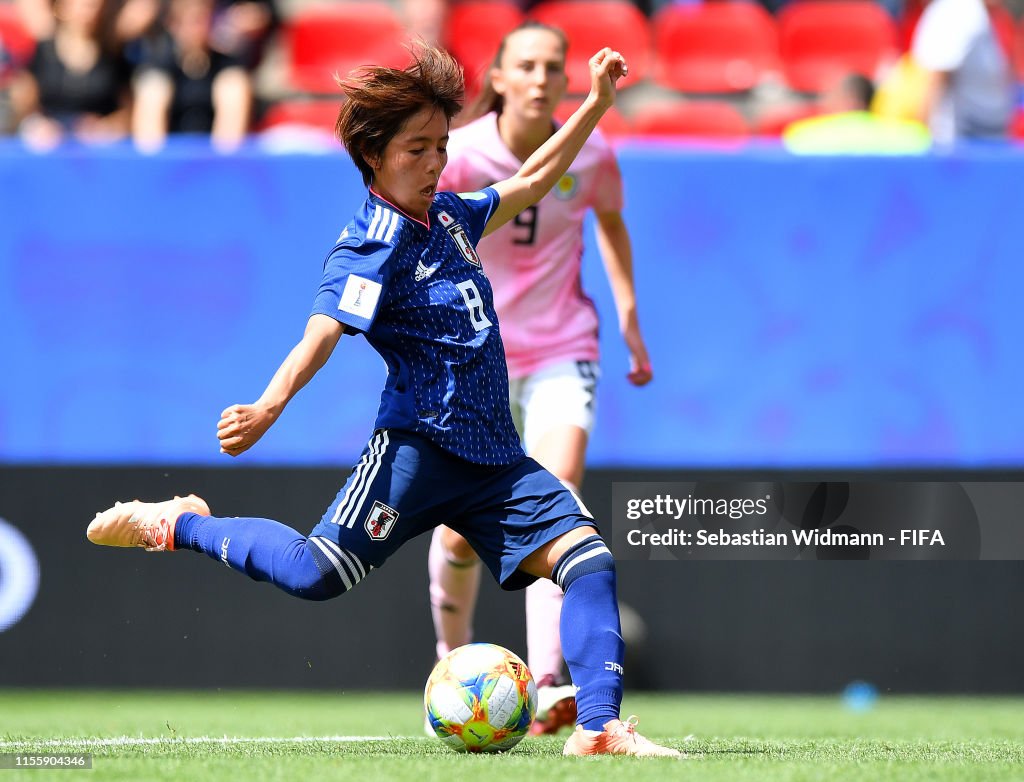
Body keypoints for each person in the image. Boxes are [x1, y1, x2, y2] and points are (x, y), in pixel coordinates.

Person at [85, 42, 680, 758]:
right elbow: (324, 331)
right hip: (417, 451)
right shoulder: (371, 243)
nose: (435, 163)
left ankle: (598, 728)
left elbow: (533, 179)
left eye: (441, 146)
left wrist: (594, 105)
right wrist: (269, 407)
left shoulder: (453, 216)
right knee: (316, 574)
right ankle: (180, 523)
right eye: (417, 149)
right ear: (374, 156)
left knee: (590, 560)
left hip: (496, 459)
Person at [426, 21, 652, 736]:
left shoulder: (595, 153)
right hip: (478, 360)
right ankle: (451, 667)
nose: (541, 77)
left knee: (555, 505)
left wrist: (627, 315)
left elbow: (611, 223)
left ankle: (549, 682)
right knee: (461, 537)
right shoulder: (459, 158)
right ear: (496, 78)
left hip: (563, 346)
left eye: (554, 66)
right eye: (525, 64)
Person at [9, 0, 132, 149]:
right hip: (48, 147)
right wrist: (36, 124)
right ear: (62, 7)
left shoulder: (113, 54)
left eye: (93, 6)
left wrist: (108, 128)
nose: (87, 12)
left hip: (98, 151)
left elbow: (128, 109)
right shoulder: (42, 52)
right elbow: (24, 104)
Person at [131, 0, 251, 152]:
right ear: (173, 25)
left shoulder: (228, 67)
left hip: (213, 159)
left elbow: (230, 137)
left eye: (202, 20)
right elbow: (148, 138)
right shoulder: (159, 68)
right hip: (170, 159)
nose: (197, 29)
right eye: (190, 21)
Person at [909, 0, 1014, 145]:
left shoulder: (982, 13)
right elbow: (931, 80)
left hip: (980, 142)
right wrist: (925, 147)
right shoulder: (958, 10)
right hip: (957, 150)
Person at [783, 72, 932, 154]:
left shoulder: (802, 136)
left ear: (852, 100)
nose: (825, 102)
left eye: (833, 95)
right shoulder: (911, 136)